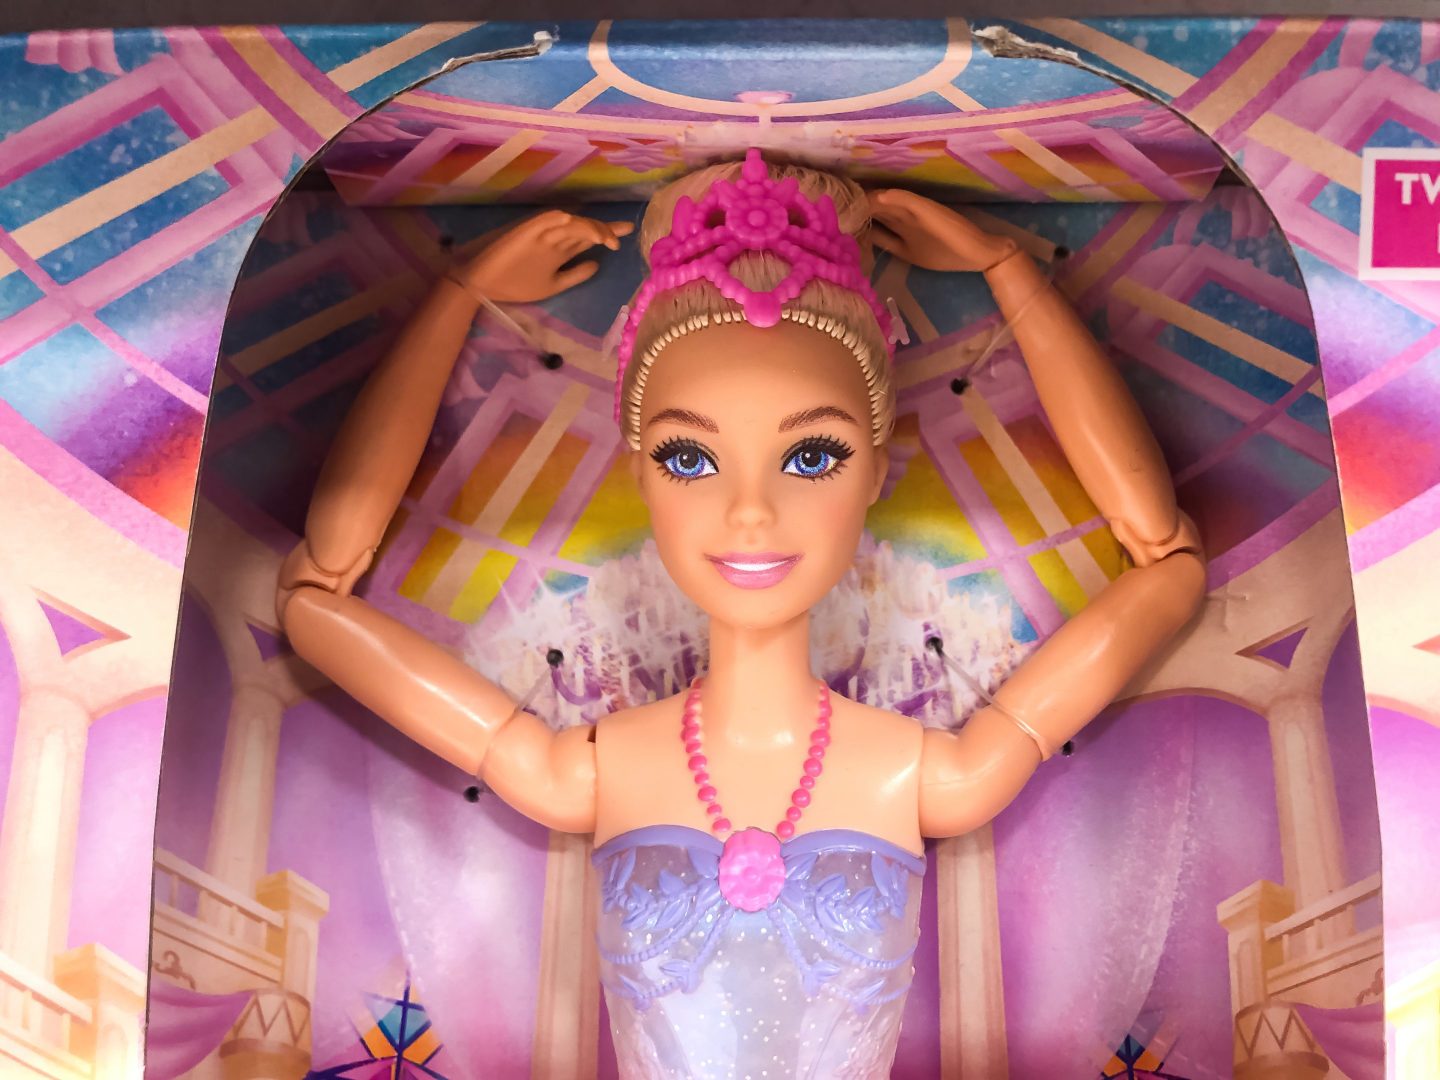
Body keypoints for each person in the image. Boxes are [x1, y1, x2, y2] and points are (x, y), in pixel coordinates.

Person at [276, 149, 1206, 1078]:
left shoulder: (925, 774)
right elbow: (314, 598)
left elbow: (1167, 562)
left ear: (876, 471)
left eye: (811, 458)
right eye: (689, 459)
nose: (751, 511)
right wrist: (457, 296)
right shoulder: (599, 768)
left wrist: (1012, 275)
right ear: (641, 475)